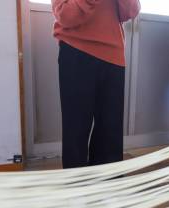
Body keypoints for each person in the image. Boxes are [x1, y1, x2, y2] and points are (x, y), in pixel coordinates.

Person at [52, 0, 141, 168]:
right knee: (76, 129)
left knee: (110, 133)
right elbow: (65, 15)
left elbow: (131, 11)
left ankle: (106, 189)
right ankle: (76, 188)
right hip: (76, 50)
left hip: (113, 54)